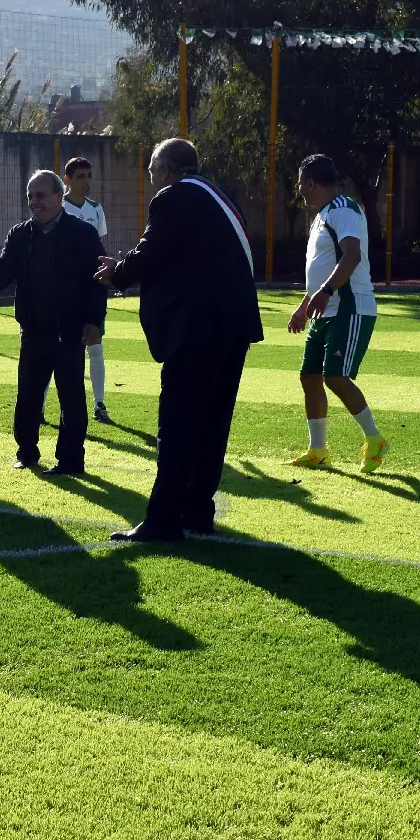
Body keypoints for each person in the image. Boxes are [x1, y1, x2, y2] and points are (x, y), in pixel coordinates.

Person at [95, 138, 263, 541]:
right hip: (234, 324)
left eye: (153, 170)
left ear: (167, 170)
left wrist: (118, 272)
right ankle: (197, 510)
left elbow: (152, 251)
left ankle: (164, 520)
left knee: (178, 424)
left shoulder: (174, 197)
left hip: (197, 327)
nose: (151, 178)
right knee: (212, 423)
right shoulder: (220, 196)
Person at [0, 170, 106, 477]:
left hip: (69, 331)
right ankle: (26, 452)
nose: (34, 202)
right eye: (30, 197)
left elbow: (96, 282)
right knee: (28, 396)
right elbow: (3, 268)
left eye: (41, 196)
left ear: (59, 196)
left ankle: (71, 459)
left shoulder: (83, 234)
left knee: (71, 397)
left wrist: (94, 321)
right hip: (33, 330)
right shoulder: (20, 234)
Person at [287, 154, 388, 473]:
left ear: (310, 183)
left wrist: (327, 291)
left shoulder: (344, 209)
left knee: (334, 376)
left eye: (300, 183)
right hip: (326, 308)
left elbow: (352, 256)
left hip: (349, 306)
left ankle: (375, 439)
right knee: (310, 377)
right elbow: (322, 268)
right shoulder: (322, 215)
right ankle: (318, 450)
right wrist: (304, 306)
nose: (299, 189)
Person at [60, 156, 114, 423]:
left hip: (91, 286)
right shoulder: (59, 207)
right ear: (67, 180)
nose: (86, 182)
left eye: (89, 176)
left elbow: (99, 246)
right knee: (55, 348)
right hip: (65, 287)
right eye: (81, 176)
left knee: (95, 344)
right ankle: (42, 406)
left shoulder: (96, 209)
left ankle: (99, 404)